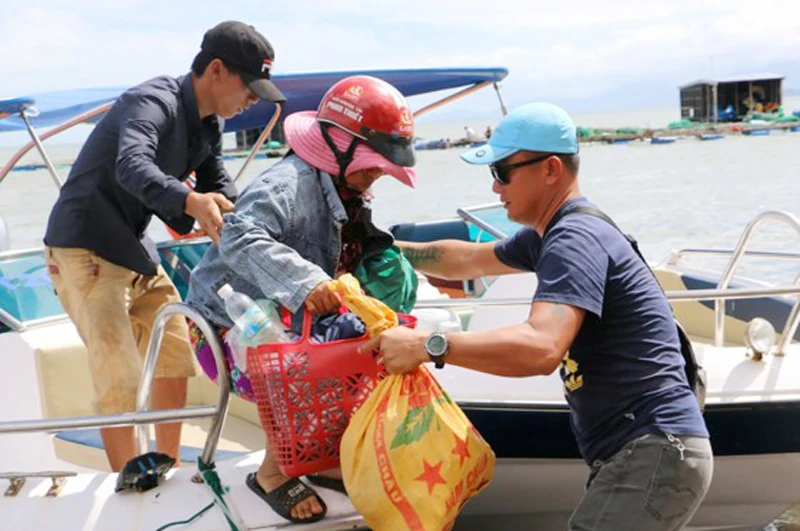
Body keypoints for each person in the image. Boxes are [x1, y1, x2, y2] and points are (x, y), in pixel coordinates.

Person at [361, 102, 713, 531]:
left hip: (653, 448)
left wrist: (426, 346)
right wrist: (379, 249)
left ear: (550, 170)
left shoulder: (573, 239)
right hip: (650, 451)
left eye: (502, 172)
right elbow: (467, 261)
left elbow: (542, 347)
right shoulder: (553, 234)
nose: (495, 187)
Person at [43, 20, 286, 472]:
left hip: (132, 248)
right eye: (249, 89)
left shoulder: (207, 128)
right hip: (83, 246)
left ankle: (168, 467)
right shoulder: (151, 101)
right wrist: (190, 201)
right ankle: (125, 480)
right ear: (216, 70)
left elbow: (222, 188)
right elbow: (131, 166)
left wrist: (260, 224)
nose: (252, 100)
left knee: (176, 349)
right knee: (120, 373)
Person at [185, 75, 417, 523]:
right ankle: (271, 474)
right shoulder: (285, 185)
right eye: (373, 164)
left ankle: (323, 459)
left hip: (281, 321)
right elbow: (239, 234)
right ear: (339, 147)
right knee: (317, 364)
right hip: (223, 330)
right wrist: (306, 282)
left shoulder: (348, 188)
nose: (378, 174)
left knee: (372, 350)